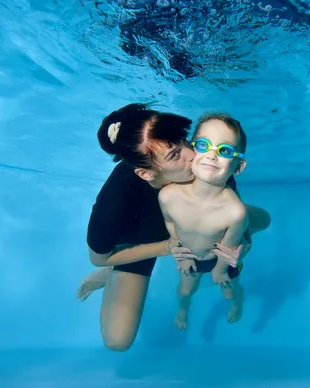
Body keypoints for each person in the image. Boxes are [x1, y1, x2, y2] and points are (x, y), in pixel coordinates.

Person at [77, 103, 271, 351]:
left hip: (191, 226)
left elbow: (233, 218)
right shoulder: (116, 199)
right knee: (118, 341)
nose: (192, 156)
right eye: (174, 156)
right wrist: (166, 247)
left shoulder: (207, 163)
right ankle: (114, 273)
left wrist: (242, 244)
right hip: (143, 241)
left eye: (184, 142)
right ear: (146, 173)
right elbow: (97, 257)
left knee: (263, 220)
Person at [158, 112, 249, 330]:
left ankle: (237, 305)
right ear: (191, 148)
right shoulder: (168, 195)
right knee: (185, 290)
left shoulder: (235, 212)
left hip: (220, 261)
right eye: (203, 144)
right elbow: (171, 224)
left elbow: (230, 247)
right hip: (191, 257)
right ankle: (182, 310)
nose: (211, 155)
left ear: (238, 167)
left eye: (224, 150)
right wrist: (181, 256)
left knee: (230, 292)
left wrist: (219, 270)